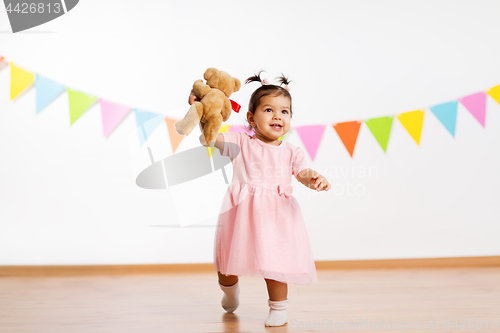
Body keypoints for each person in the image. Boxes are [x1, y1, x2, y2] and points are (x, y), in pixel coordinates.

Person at [189, 72, 331, 327]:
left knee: (276, 262)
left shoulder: (291, 151)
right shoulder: (242, 141)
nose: (278, 116)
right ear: (251, 118)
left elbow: (302, 172)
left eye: (285, 111)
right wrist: (204, 113)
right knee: (227, 264)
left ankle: (279, 307)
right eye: (269, 110)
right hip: (241, 213)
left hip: (276, 216)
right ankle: (230, 290)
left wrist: (314, 178)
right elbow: (213, 139)